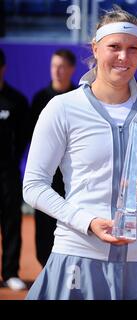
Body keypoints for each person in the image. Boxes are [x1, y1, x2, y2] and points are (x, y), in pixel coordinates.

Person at [23, 6, 137, 300]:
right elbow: (33, 185)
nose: (124, 57)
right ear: (95, 49)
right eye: (114, 47)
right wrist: (87, 222)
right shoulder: (62, 108)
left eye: (133, 49)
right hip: (79, 254)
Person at [30, 48, 77, 268]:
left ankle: (71, 271)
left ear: (71, 69)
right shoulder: (40, 98)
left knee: (73, 221)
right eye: (53, 66)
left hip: (73, 176)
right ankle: (46, 267)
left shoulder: (80, 98)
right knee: (44, 223)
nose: (57, 71)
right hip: (48, 176)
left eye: (62, 66)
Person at [0, 48, 29, 291]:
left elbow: (22, 138)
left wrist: (10, 161)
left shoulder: (16, 100)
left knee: (11, 224)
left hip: (7, 174)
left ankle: (10, 272)